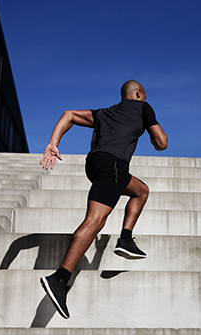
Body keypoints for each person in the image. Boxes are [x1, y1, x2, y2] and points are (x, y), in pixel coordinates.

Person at [39, 80, 168, 319]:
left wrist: (52, 144)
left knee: (141, 191)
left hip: (96, 164)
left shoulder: (104, 113)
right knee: (95, 221)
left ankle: (126, 239)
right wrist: (151, 135)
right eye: (143, 94)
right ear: (138, 93)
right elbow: (162, 142)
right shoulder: (143, 107)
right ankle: (59, 279)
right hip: (114, 165)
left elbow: (69, 115)